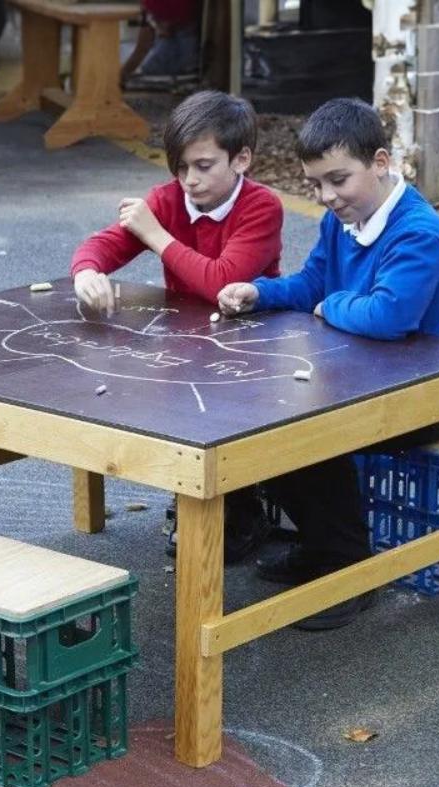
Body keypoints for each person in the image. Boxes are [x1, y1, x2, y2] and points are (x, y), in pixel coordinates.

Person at [217, 96, 439, 629]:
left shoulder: (417, 231)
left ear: (379, 162)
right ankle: (320, 547)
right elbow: (312, 282)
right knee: (261, 413)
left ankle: (348, 569)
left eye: (338, 180)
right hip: (364, 376)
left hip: (427, 394)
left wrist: (332, 305)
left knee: (307, 433)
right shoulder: (345, 218)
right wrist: (259, 292)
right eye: (316, 184)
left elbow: (388, 315)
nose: (327, 196)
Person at [71, 89, 283, 562]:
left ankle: (245, 506)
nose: (190, 180)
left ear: (241, 158)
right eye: (180, 167)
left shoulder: (262, 206)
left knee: (231, 423)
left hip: (253, 340)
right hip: (188, 338)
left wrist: (154, 234)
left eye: (204, 166)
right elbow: (103, 245)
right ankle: (198, 503)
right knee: (171, 407)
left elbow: (222, 282)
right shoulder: (167, 200)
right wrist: (87, 271)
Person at [120, 0, 202, 86]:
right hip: (193, 41)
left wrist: (123, 73)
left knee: (150, 70)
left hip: (185, 49)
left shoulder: (151, 4)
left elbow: (144, 45)